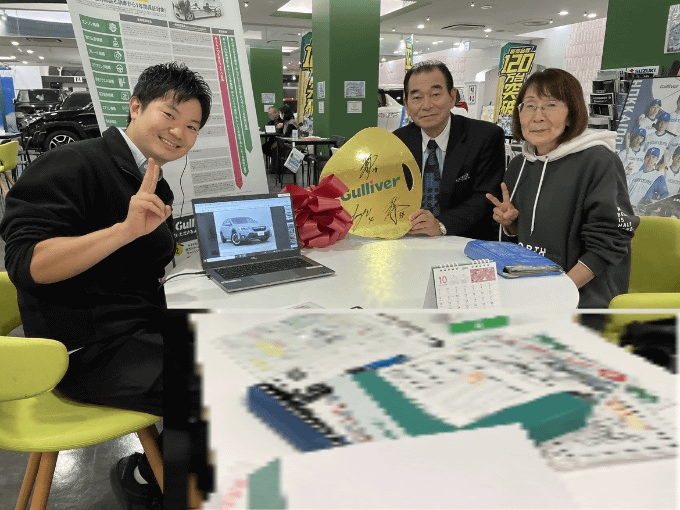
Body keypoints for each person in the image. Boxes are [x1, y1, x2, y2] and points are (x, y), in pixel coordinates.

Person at [0, 62, 212, 508]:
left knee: (234, 348)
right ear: (135, 106)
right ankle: (169, 490)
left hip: (135, 331)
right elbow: (26, 263)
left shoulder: (150, 180)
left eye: (192, 126)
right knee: (215, 387)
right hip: (83, 352)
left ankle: (160, 479)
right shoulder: (73, 162)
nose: (180, 132)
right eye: (169, 115)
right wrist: (123, 230)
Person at [486, 68, 638, 309]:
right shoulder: (519, 164)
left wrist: (561, 289)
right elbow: (524, 236)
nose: (537, 116)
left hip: (583, 300)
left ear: (571, 114)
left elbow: (611, 239)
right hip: (528, 290)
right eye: (530, 105)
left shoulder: (598, 161)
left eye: (550, 105)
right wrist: (511, 224)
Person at [393, 60, 504, 240]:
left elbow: (486, 196)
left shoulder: (485, 136)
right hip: (408, 240)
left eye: (435, 94)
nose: (427, 105)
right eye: (417, 98)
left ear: (452, 97)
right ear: (406, 104)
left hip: (463, 242)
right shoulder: (396, 141)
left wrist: (441, 224)